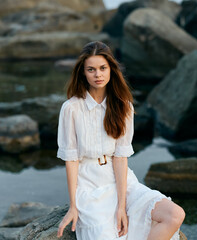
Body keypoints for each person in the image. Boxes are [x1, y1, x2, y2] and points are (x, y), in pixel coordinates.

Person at [56, 41, 185, 240]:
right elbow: (71, 159)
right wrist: (73, 206)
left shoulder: (123, 106)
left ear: (111, 70)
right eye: (91, 70)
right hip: (89, 186)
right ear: (83, 73)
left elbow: (120, 157)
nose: (97, 75)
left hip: (122, 181)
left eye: (102, 68)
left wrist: (122, 206)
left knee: (175, 215)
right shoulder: (71, 108)